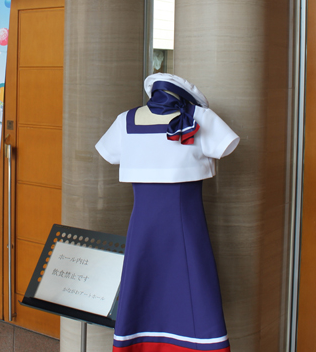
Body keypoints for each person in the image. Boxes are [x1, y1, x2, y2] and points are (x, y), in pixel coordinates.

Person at [96, 73, 239, 352]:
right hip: (182, 229)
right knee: (187, 291)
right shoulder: (126, 121)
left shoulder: (196, 119)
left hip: (153, 229)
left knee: (173, 288)